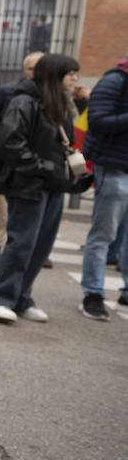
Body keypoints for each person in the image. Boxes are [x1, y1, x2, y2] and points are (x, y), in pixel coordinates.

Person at [0, 54, 90, 323]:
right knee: (23, 243)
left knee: (41, 245)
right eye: (70, 73)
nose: (75, 78)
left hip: (50, 184)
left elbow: (65, 143)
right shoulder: (24, 101)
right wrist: (42, 167)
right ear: (54, 74)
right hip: (27, 184)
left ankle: (20, 298)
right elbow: (9, 143)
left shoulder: (59, 102)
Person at [77, 46, 128, 320]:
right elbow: (97, 121)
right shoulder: (114, 80)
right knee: (103, 235)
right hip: (114, 168)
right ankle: (93, 294)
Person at [0, 52, 43, 258]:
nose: (35, 73)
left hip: (35, 156)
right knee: (2, 202)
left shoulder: (50, 94)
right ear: (24, 69)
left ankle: (34, 244)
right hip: (8, 156)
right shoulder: (8, 91)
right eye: (31, 68)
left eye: (39, 68)